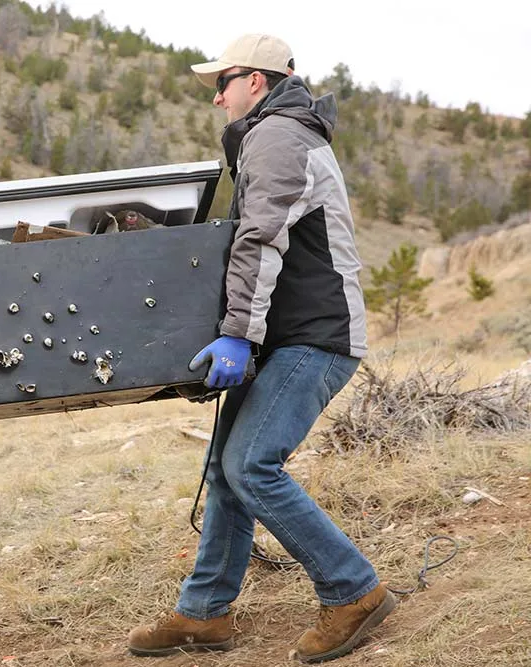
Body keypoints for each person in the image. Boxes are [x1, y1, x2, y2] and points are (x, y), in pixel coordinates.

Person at [127, 35, 395, 663]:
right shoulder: (271, 136)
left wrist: (237, 335)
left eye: (224, 81)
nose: (216, 95)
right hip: (285, 337)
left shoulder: (278, 136)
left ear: (258, 80)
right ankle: (203, 615)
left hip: (315, 339)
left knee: (251, 466)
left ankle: (353, 590)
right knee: (226, 470)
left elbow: (259, 242)